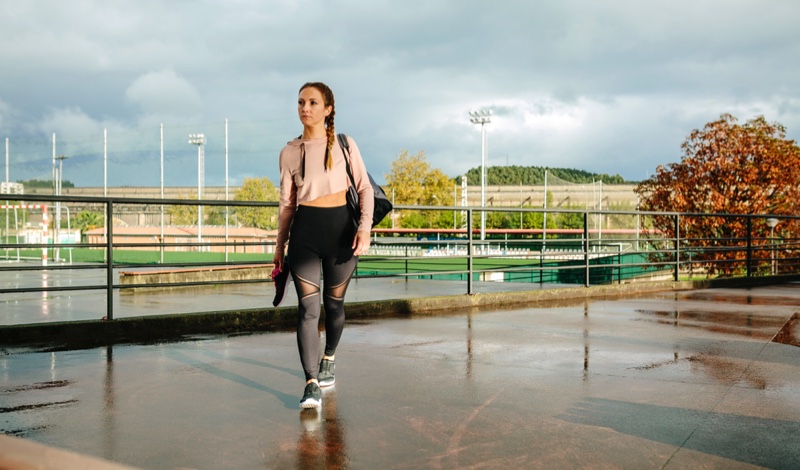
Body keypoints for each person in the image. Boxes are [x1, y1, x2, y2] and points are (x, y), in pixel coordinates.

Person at [274, 82, 374, 409]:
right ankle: (310, 383)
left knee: (334, 306)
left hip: (342, 233)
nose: (306, 107)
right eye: (301, 102)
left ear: (328, 109)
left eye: (313, 102)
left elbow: (364, 190)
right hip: (305, 234)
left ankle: (328, 357)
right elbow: (287, 205)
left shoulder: (345, 144)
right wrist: (279, 248)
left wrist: (365, 229)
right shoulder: (290, 152)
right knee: (307, 309)